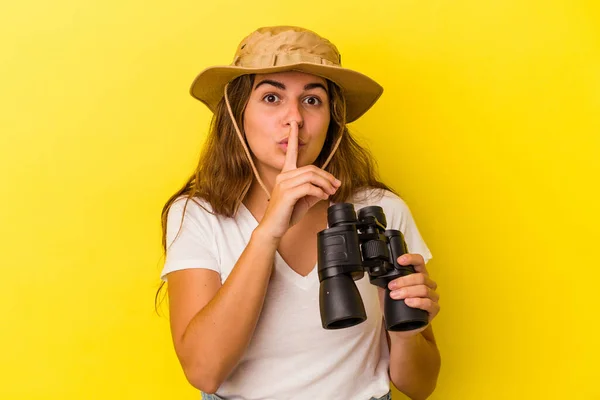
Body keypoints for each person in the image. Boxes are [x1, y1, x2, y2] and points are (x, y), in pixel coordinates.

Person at [158, 26, 441, 400]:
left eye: (312, 101)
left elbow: (420, 387)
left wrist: (406, 334)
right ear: (238, 112)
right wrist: (267, 233)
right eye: (272, 97)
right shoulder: (199, 214)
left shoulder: (381, 210)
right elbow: (204, 372)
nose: (294, 119)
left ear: (333, 119)